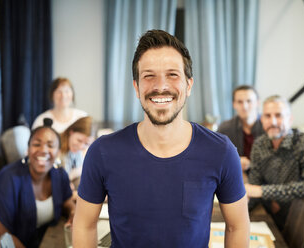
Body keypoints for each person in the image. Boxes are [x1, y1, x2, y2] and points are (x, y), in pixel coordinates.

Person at [73, 30, 250, 247]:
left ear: (189, 85)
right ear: (137, 87)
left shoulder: (221, 151)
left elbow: (237, 226)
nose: (160, 86)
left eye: (173, 75)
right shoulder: (102, 151)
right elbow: (83, 225)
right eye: (149, 76)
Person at [0, 118, 75, 248]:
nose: (44, 150)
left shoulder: (59, 174)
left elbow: (67, 201)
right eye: (36, 144)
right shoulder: (8, 178)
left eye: (50, 145)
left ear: (58, 152)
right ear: (28, 149)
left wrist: (73, 213)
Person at [245, 95, 304, 230]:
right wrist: (240, 208)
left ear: (290, 119)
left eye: (278, 115)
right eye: (267, 116)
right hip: (268, 215)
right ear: (262, 119)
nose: (272, 121)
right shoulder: (259, 144)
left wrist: (262, 191)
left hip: (299, 221)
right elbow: (254, 184)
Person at [218, 85, 264, 172]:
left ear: (257, 103)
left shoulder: (268, 126)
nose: (245, 106)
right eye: (240, 102)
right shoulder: (225, 128)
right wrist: (234, 161)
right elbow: (215, 155)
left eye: (249, 101)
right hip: (236, 175)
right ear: (234, 104)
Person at [59, 116, 94, 188]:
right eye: (79, 140)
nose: (81, 146)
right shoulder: (56, 147)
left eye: (86, 144)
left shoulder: (80, 152)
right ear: (71, 132)